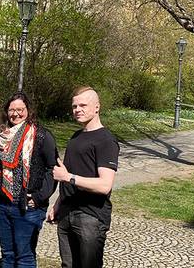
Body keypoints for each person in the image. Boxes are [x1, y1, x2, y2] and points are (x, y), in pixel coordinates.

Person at [47, 86, 120, 268]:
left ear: (97, 107)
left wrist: (69, 177)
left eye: (83, 105)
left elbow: (105, 185)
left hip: (90, 215)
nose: (77, 110)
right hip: (66, 213)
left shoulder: (106, 140)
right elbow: (67, 175)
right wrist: (57, 204)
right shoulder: (76, 137)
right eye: (74, 106)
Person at [0, 92, 58, 268]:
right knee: (7, 255)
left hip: (28, 207)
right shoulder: (4, 136)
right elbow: (1, 166)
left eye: (20, 109)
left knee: (25, 257)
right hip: (4, 203)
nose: (15, 114)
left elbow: (53, 169)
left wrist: (38, 197)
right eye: (12, 110)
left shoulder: (41, 136)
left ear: (28, 110)